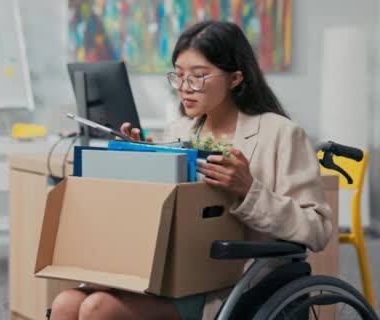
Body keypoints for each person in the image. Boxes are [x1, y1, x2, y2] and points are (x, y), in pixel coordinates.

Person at [49, 20, 332, 320]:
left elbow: (317, 229)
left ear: (235, 78)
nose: (184, 88)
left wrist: (249, 190)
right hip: (170, 272)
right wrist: (139, 161)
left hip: (232, 283)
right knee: (65, 303)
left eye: (198, 77)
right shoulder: (179, 129)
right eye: (179, 76)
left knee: (97, 309)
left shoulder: (282, 134)